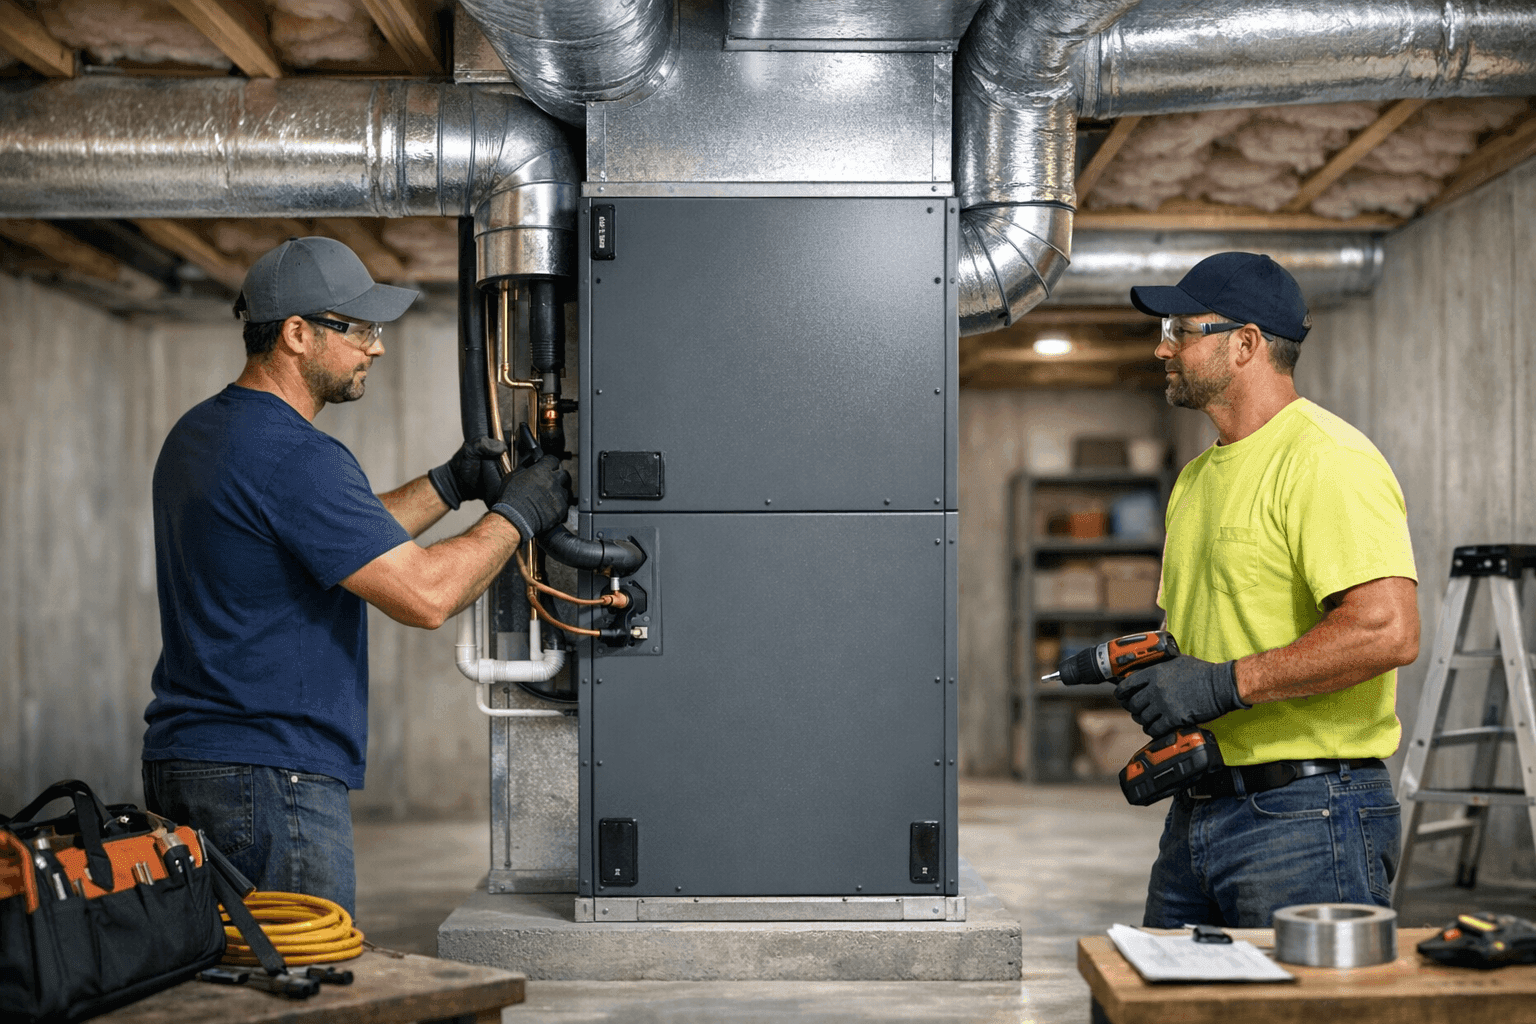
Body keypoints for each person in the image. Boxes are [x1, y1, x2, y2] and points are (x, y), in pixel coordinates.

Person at [140, 237, 570, 917]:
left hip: (191, 763)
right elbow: (426, 595)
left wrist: (448, 484)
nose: (377, 347)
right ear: (297, 333)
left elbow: (333, 540)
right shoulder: (297, 455)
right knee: (307, 987)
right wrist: (519, 515)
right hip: (272, 780)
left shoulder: (202, 434)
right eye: (361, 328)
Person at [1119, 251, 1420, 928]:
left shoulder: (1326, 459)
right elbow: (1212, 632)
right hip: (1199, 806)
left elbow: (1387, 629)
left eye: (1181, 330)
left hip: (1307, 818)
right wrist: (1167, 680)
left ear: (1245, 343)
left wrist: (1221, 684)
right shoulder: (1199, 478)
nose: (1161, 347)